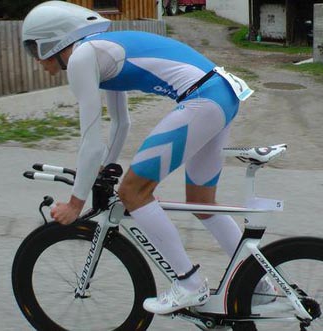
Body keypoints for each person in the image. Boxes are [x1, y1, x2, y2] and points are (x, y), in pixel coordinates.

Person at [21, 1, 255, 314]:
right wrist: (105, 166)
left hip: (203, 98)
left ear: (51, 41)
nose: (36, 60)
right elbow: (120, 123)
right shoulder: (97, 51)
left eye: (33, 49)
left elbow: (90, 141)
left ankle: (188, 283)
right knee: (202, 202)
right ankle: (259, 284)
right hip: (222, 94)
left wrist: (75, 204)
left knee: (133, 191)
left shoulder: (80, 59)